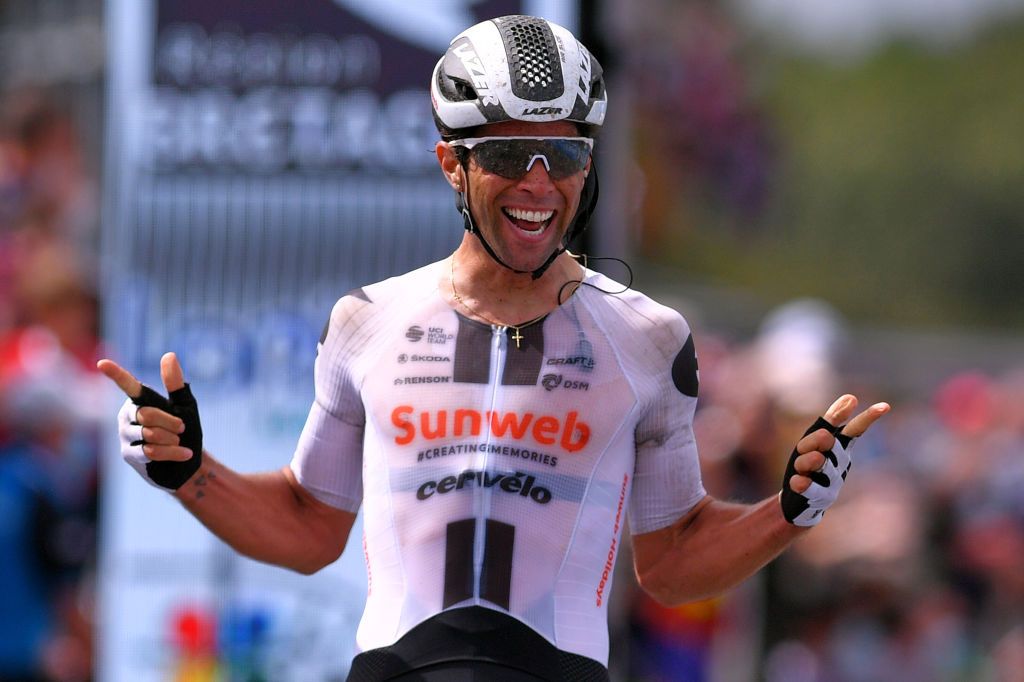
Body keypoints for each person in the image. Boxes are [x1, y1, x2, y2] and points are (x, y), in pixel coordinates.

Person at [98, 15, 889, 681]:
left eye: (568, 156)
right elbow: (308, 527)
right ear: (452, 163)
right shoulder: (367, 320)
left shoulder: (648, 336)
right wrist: (191, 474)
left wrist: (787, 513)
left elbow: (674, 562)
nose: (540, 184)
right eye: (510, 156)